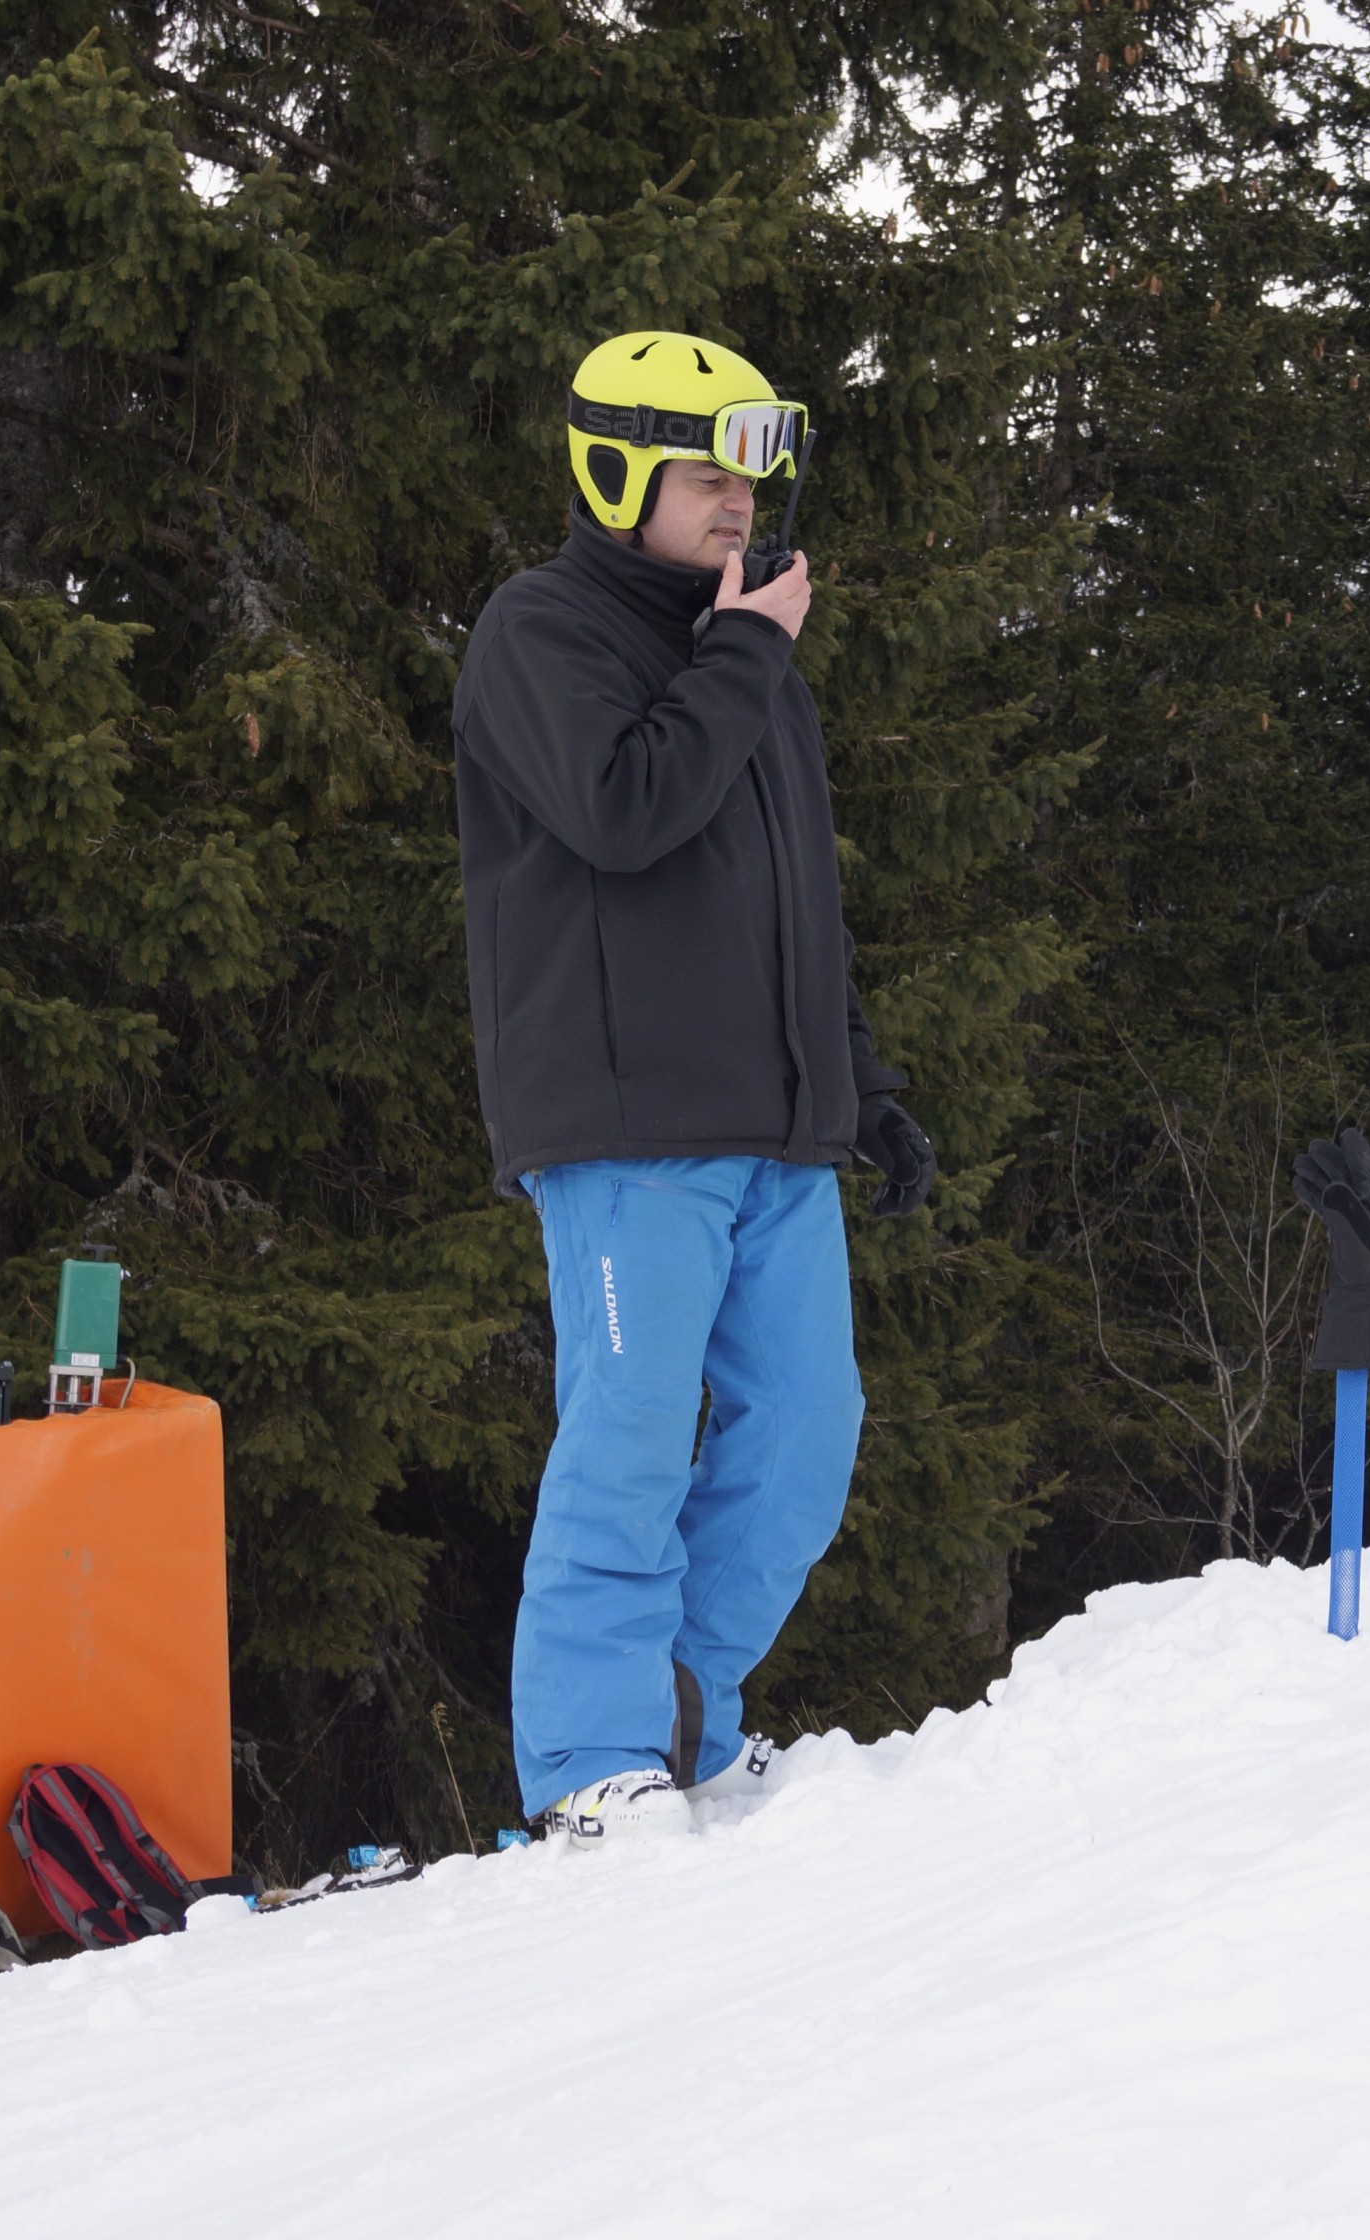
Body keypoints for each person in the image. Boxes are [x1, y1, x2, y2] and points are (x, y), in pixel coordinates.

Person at [451, 331, 937, 1845]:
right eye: (708, 475)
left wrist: (861, 1084)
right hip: (625, 1123)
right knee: (632, 1436)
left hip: (775, 1126)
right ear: (615, 474)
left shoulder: (751, 661)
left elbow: (797, 903)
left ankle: (680, 1716)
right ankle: (588, 1763)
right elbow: (625, 807)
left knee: (808, 1430)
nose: (742, 503)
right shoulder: (541, 630)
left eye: (754, 476)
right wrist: (745, 653)